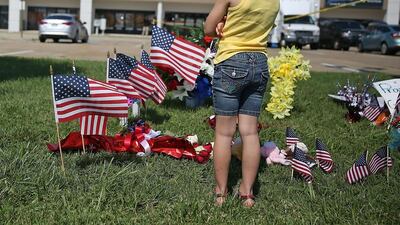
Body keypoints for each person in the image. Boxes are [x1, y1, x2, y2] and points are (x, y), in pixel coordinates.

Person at [204, 0, 279, 208]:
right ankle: (247, 193)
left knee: (224, 133)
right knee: (250, 133)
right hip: (260, 64)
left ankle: (221, 192)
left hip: (231, 62)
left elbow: (208, 28)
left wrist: (222, 25)